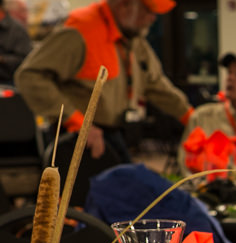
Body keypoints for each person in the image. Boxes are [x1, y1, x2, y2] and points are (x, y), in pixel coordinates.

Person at [15, 0, 192, 160]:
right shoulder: (80, 30)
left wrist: (192, 118)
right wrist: (79, 125)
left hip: (113, 133)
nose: (153, 18)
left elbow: (156, 85)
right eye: (148, 10)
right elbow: (30, 76)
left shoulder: (132, 39)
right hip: (78, 138)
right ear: (125, 5)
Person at [0, 0, 31, 84]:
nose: (25, 15)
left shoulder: (17, 30)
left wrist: (3, 59)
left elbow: (26, 61)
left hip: (9, 82)